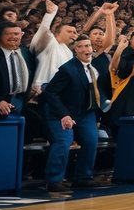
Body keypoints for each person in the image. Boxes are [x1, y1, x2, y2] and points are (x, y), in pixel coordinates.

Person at [40, 35, 104, 192]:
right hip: (60, 113)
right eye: (81, 46)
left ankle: (83, 178)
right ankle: (53, 181)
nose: (86, 49)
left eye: (88, 45)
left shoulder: (93, 68)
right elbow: (50, 93)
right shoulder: (67, 69)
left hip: (84, 112)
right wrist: (64, 114)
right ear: (75, 50)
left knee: (91, 140)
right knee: (63, 140)